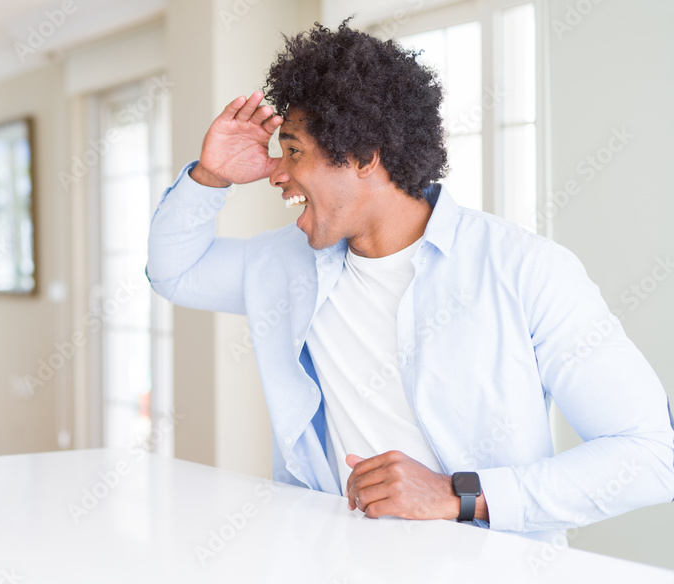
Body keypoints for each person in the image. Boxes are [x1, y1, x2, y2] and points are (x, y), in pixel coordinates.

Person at [145, 20, 674, 543]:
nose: (276, 173)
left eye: (295, 151)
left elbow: (650, 454)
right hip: (334, 560)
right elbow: (175, 272)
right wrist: (209, 178)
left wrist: (459, 495)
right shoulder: (282, 264)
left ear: (364, 156)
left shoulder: (525, 269)